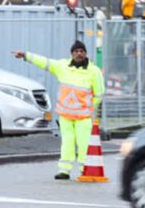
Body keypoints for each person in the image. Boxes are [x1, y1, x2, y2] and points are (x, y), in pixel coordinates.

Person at [12, 40, 104, 180]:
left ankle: (84, 170)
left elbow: (99, 93)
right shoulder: (62, 66)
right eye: (76, 51)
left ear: (85, 53)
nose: (79, 54)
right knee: (67, 143)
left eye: (81, 51)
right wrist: (26, 55)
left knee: (84, 143)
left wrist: (90, 107)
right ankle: (64, 171)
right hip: (65, 115)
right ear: (72, 54)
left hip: (83, 116)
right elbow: (44, 62)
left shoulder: (94, 71)